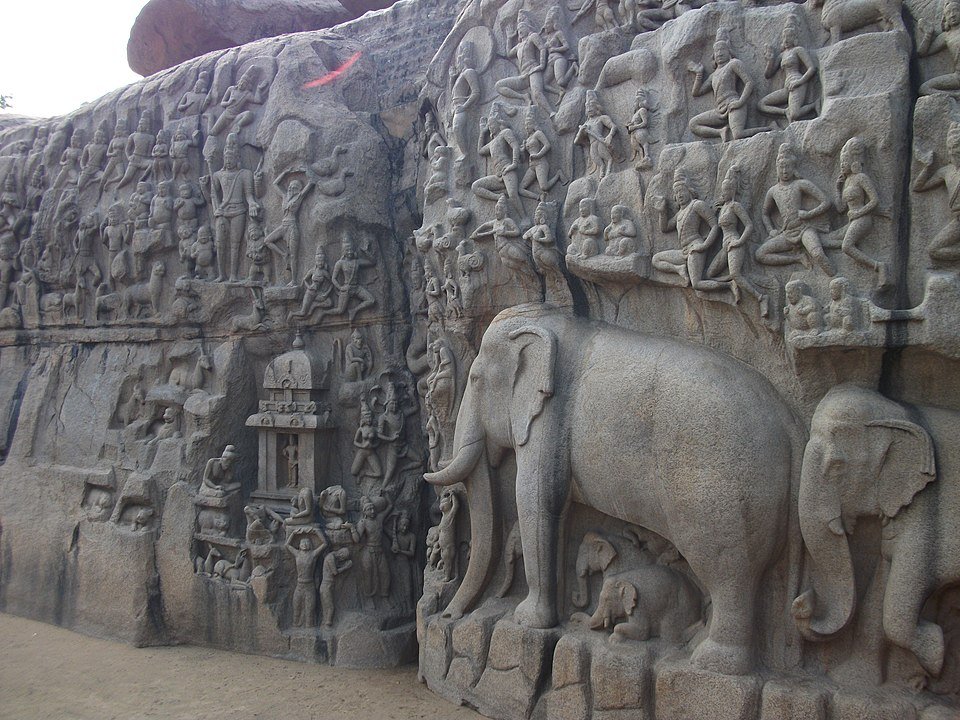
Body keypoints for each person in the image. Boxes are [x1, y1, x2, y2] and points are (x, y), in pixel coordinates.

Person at [756, 143, 835, 276]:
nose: (785, 171)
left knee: (818, 254)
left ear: (794, 167)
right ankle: (797, 258)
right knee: (760, 254)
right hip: (786, 233)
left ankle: (835, 277)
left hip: (804, 228)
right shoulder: (773, 191)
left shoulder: (800, 184)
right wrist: (771, 230)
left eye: (788, 166)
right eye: (781, 167)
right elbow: (765, 213)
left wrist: (808, 214)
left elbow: (826, 202)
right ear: (777, 168)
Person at [285, 528, 326, 628]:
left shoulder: (313, 554)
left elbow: (324, 544)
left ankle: (309, 627)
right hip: (299, 585)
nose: (304, 544)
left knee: (310, 609)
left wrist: (317, 532)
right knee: (296, 608)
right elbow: (287, 545)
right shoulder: (297, 554)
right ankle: (296, 625)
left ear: (310, 545)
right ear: (299, 545)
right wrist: (293, 533)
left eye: (307, 542)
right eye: (302, 542)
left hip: (309, 585)